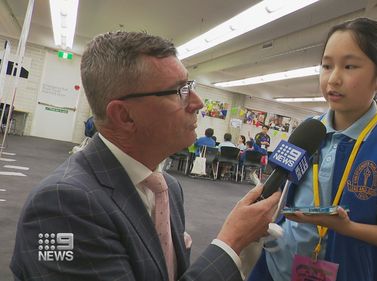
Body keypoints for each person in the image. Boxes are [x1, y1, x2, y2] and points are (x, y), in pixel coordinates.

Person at [10, 31, 280, 281]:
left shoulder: (168, 189)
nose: (197, 102)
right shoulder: (64, 205)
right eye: (180, 91)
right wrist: (231, 243)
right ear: (125, 116)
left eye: (191, 85)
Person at [248, 18, 377, 281]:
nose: (333, 78)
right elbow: (282, 189)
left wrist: (347, 228)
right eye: (327, 65)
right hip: (278, 269)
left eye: (350, 66)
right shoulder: (308, 131)